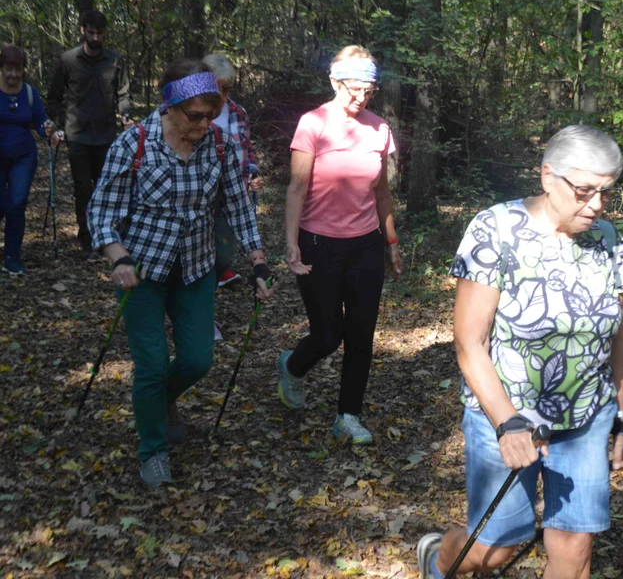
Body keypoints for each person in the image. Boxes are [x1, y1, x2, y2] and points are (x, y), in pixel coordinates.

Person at [416, 125, 623, 579]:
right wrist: (508, 422)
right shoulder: (495, 230)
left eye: (605, 192)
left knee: (575, 546)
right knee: (497, 546)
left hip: (585, 418)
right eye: (584, 190)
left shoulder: (607, 239)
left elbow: (614, 332)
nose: (595, 204)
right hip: (507, 412)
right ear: (547, 177)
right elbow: (469, 341)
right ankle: (440, 555)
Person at [87, 58, 275, 489]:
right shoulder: (134, 143)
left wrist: (259, 261)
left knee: (196, 359)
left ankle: (159, 401)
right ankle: (152, 450)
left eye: (211, 114)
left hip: (195, 267)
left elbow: (237, 205)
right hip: (143, 271)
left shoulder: (220, 144)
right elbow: (101, 212)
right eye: (196, 115)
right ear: (169, 107)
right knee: (151, 366)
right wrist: (118, 258)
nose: (205, 123)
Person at [276, 45, 401, 445]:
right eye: (353, 88)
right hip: (318, 243)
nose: (360, 98)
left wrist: (392, 240)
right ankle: (293, 366)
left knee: (361, 336)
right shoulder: (312, 124)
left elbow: (382, 193)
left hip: (366, 245)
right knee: (328, 335)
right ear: (334, 81)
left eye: (368, 91)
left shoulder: (379, 128)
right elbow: (296, 189)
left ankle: (348, 415)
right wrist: (292, 244)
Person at [47, 10, 133, 259]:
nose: (96, 37)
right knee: (83, 189)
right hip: (77, 135)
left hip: (107, 136)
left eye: (100, 32)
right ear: (83, 30)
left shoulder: (115, 60)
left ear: (105, 33)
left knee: (106, 189)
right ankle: (87, 239)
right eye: (91, 32)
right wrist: (59, 125)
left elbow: (124, 94)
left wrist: (125, 114)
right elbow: (54, 98)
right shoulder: (68, 60)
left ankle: (105, 236)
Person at [202, 53, 264, 341]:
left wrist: (252, 170)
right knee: (201, 256)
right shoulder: (195, 112)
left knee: (222, 257)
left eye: (228, 88)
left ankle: (198, 305)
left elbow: (247, 149)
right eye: (218, 87)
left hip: (234, 196)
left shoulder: (239, 113)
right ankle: (202, 317)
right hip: (199, 198)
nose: (223, 95)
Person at [0, 45, 60, 275]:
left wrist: (49, 130)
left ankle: (12, 258)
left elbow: (40, 123)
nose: (13, 75)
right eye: (8, 69)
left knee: (17, 203)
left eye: (18, 70)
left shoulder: (29, 93)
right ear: (2, 68)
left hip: (23, 157)